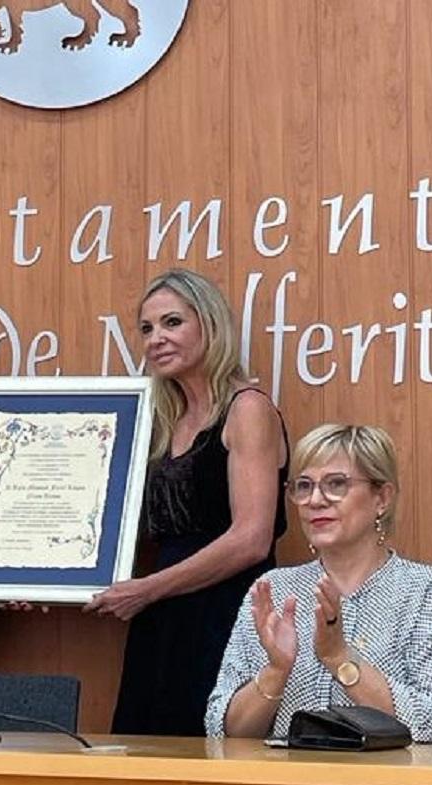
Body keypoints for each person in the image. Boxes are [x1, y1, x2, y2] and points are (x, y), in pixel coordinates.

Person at [85, 269, 288, 736]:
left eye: (172, 323)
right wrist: (34, 577)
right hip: (161, 617)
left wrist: (149, 589)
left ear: (209, 325)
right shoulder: (160, 420)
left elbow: (252, 540)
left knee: (211, 758)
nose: (156, 339)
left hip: (225, 614)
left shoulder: (248, 409)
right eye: (147, 329)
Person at [206, 424, 432, 744]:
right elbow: (222, 733)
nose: (315, 500)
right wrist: (276, 671)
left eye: (336, 484)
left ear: (382, 498)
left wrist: (340, 658)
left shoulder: (427, 591)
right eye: (303, 486)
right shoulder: (273, 590)